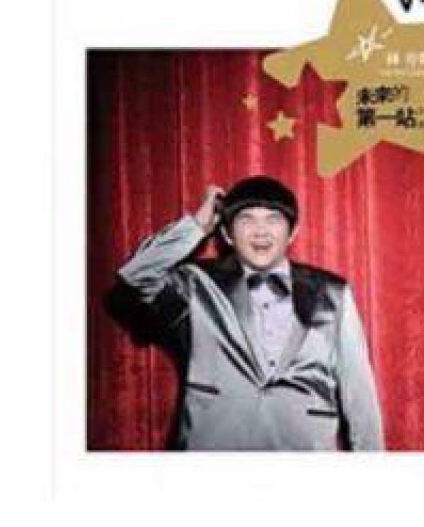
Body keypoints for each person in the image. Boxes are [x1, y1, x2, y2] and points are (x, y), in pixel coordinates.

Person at [117, 175, 384, 450]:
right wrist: (196, 226)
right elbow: (135, 275)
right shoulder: (196, 282)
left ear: (293, 232)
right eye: (247, 220)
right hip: (214, 444)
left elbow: (358, 390)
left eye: (273, 219)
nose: (261, 231)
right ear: (226, 234)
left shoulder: (333, 291)